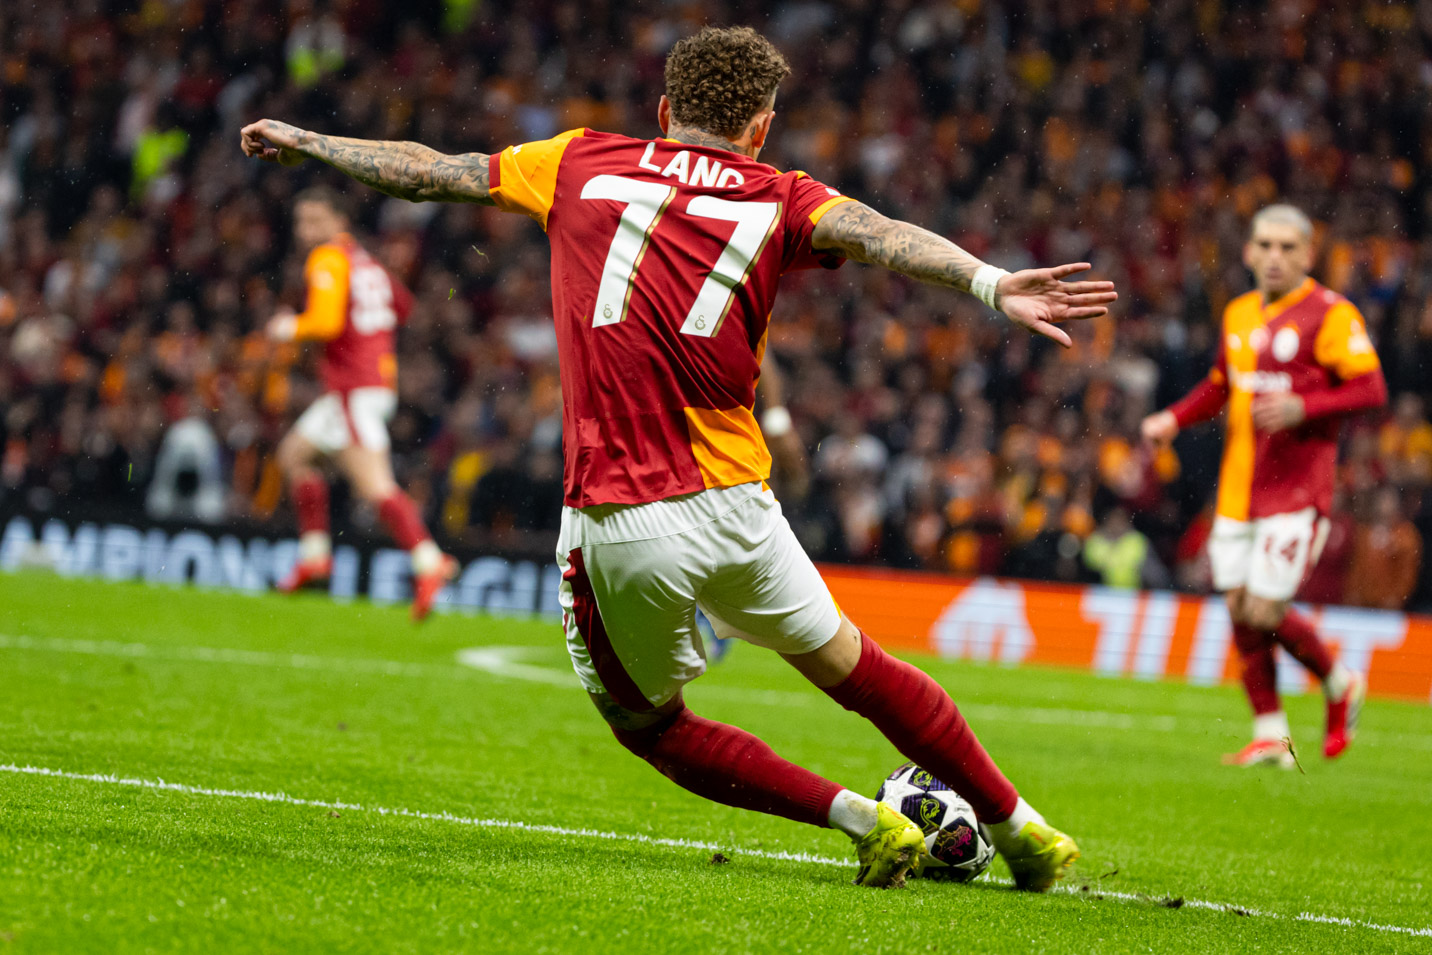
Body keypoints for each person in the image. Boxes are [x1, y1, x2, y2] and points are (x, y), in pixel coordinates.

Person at [242, 26, 1117, 889]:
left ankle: (862, 818)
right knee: (861, 671)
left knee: (650, 726)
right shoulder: (783, 193)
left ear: (664, 111)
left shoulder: (577, 160)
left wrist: (313, 142)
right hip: (740, 503)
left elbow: (435, 171)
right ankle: (1022, 825)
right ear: (761, 128)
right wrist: (990, 283)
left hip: (624, 513)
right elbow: (882, 234)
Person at [1141, 204, 1386, 768]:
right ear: (1249, 251)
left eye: (1287, 247)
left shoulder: (1331, 314)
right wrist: (1173, 419)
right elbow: (1220, 385)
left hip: (1297, 493)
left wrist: (1306, 405)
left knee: (1265, 609)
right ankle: (1271, 734)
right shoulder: (1239, 313)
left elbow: (1370, 388)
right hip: (1237, 493)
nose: (1275, 257)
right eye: (1265, 245)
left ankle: (1340, 680)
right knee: (1239, 607)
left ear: (1308, 254)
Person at [267, 186, 457, 621]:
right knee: (294, 456)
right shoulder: (366, 261)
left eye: (315, 220)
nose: (305, 230)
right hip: (366, 385)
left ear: (340, 221)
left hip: (354, 388)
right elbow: (404, 308)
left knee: (374, 485)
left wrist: (287, 327)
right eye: (301, 221)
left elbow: (326, 322)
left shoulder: (328, 258)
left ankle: (430, 561)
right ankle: (315, 555)